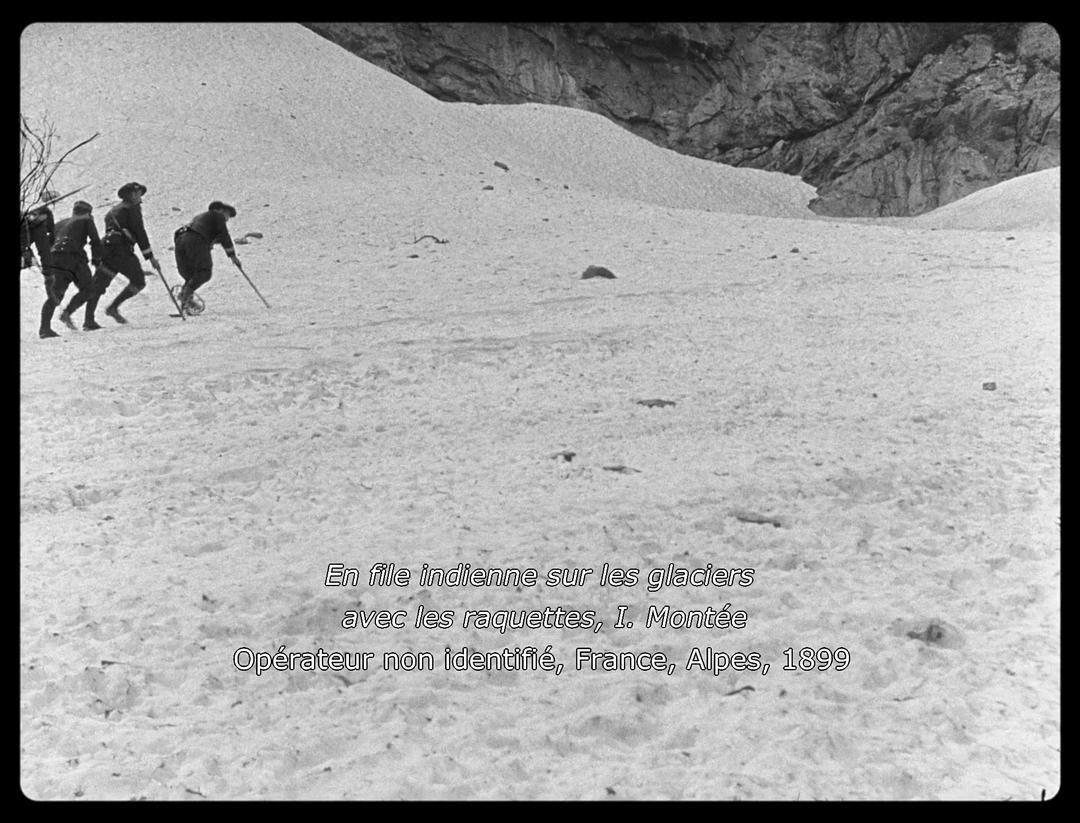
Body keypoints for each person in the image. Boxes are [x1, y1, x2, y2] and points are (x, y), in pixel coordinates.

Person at [82, 182, 162, 329]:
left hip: (106, 249)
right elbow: (139, 231)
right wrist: (150, 257)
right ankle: (113, 307)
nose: (140, 197)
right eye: (137, 194)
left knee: (98, 285)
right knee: (138, 281)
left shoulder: (112, 211)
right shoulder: (132, 209)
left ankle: (88, 320)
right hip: (121, 250)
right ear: (130, 195)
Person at [41, 201, 104, 338]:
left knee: (56, 294)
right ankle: (67, 313)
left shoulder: (60, 223)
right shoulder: (87, 220)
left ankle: (44, 329)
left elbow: (49, 242)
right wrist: (96, 260)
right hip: (74, 259)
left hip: (55, 258)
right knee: (89, 289)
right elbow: (95, 240)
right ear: (88, 212)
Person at [174, 201, 241, 312]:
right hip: (196, 240)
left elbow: (214, 236)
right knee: (204, 272)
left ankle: (186, 299)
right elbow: (224, 235)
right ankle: (185, 296)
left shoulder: (200, 218)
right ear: (220, 210)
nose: (227, 219)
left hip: (181, 239)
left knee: (191, 274)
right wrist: (232, 255)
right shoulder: (217, 216)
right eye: (227, 215)